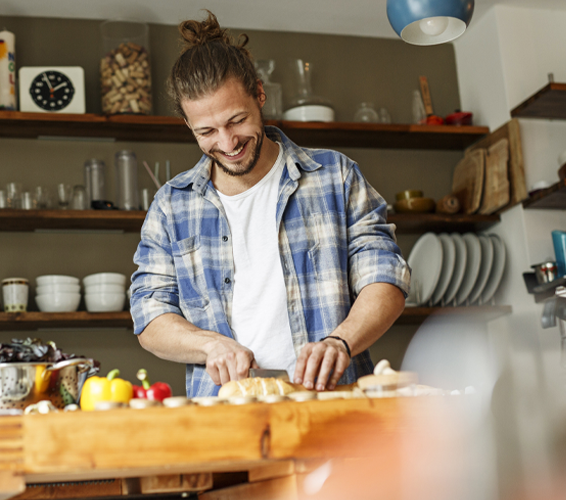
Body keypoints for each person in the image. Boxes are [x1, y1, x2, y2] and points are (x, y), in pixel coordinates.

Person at [130, 11, 410, 398]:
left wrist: (340, 341)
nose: (227, 143)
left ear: (259, 95)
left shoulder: (334, 176)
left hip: (331, 404)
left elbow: (386, 277)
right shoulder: (170, 206)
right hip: (224, 418)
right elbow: (149, 315)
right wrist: (209, 344)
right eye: (206, 131)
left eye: (237, 120)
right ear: (187, 125)